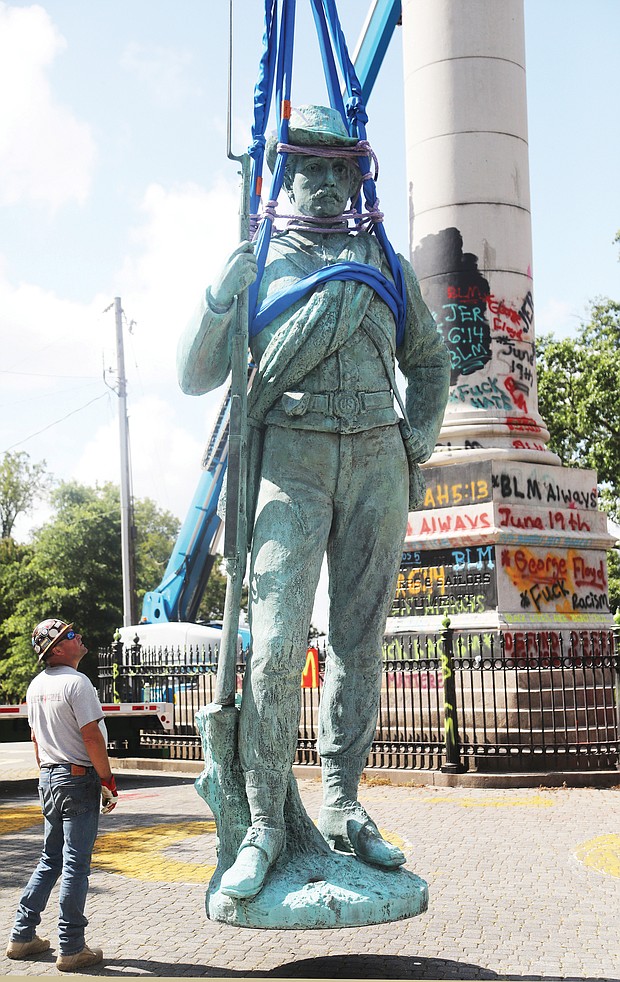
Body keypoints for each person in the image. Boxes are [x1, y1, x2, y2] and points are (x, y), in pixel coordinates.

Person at [178, 105, 450, 900]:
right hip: (288, 462)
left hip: (377, 459)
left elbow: (428, 361)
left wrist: (416, 443)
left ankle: (342, 804)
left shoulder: (385, 262)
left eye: (341, 167)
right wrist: (218, 300)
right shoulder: (257, 263)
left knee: (361, 642)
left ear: (356, 174)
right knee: (274, 650)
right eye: (311, 167)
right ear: (284, 175)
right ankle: (266, 821)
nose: (327, 181)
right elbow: (198, 375)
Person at [6, 618, 118, 972]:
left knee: (49, 859)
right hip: (76, 778)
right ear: (56, 649)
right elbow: (91, 737)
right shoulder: (78, 683)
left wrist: (48, 774)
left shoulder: (36, 686)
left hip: (49, 777)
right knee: (74, 865)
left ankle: (22, 935)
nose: (78, 635)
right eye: (69, 635)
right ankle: (71, 947)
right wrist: (107, 780)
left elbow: (37, 741)